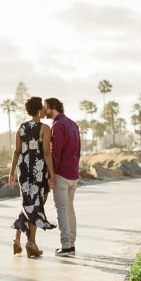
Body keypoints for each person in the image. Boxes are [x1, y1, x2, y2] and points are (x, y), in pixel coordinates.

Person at [9, 96, 56, 258]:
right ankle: (31, 243)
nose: (44, 110)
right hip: (38, 169)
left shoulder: (21, 128)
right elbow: (47, 153)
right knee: (35, 203)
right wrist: (52, 174)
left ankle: (17, 240)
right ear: (38, 110)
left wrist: (12, 173)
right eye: (42, 107)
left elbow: (16, 152)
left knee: (27, 202)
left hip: (23, 169)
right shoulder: (45, 128)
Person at [44, 97, 80, 257]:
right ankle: (71, 245)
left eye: (45, 107)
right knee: (70, 209)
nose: (44, 110)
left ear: (52, 107)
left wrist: (51, 175)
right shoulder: (73, 124)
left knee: (62, 210)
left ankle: (65, 247)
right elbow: (78, 150)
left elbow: (55, 153)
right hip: (73, 174)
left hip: (62, 174)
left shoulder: (57, 126)